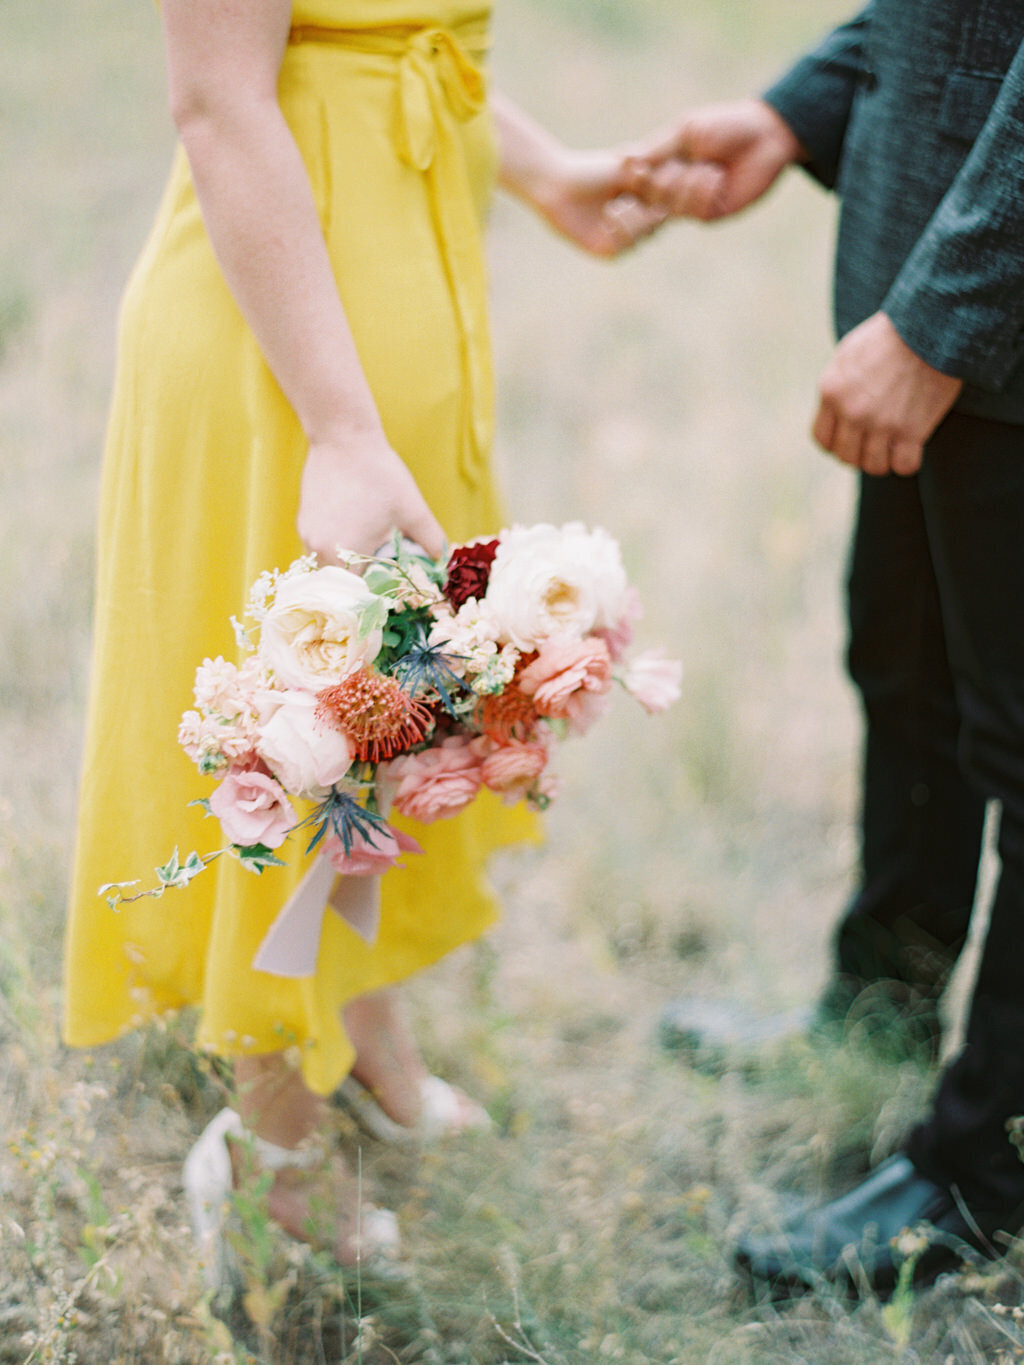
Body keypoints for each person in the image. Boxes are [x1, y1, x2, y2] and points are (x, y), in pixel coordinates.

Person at [63, 0, 663, 1282]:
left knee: (404, 714)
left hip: (407, 299)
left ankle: (362, 1028)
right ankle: (272, 1151)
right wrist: (341, 425)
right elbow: (223, 93)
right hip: (285, 344)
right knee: (299, 744)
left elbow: (382, 26)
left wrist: (539, 166)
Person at [626, 0, 1024, 1293]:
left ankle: (984, 1166)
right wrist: (803, 106)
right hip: (922, 287)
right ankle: (884, 998)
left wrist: (942, 319)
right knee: (905, 667)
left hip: (986, 311)